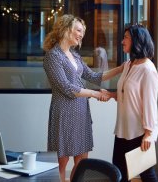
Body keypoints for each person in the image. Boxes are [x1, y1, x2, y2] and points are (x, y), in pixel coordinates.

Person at [42, 15, 123, 182]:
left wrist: (121, 68)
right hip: (63, 113)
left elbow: (94, 76)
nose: (81, 35)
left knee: (81, 164)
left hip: (81, 113)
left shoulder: (74, 55)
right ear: (65, 30)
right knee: (61, 164)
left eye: (83, 32)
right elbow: (66, 87)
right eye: (79, 30)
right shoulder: (53, 56)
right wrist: (95, 94)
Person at [109, 24, 158, 182]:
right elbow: (127, 94)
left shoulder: (148, 70)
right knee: (118, 173)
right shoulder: (129, 65)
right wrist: (111, 94)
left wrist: (149, 133)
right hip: (122, 130)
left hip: (139, 133)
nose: (122, 41)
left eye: (126, 38)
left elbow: (150, 103)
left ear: (137, 41)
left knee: (146, 175)